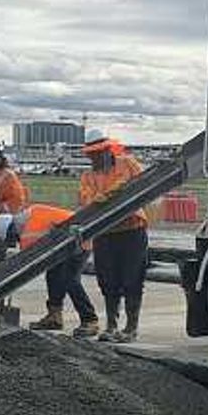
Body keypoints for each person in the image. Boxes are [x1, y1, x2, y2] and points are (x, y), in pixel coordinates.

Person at [78, 129, 148, 342]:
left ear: (108, 150)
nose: (94, 158)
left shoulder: (128, 164)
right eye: (91, 154)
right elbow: (88, 201)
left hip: (132, 230)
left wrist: (112, 193)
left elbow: (142, 186)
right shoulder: (88, 176)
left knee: (132, 279)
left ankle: (131, 328)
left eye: (97, 153)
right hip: (105, 233)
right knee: (108, 281)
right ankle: (111, 325)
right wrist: (108, 195)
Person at [0, 205, 100, 337]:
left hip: (78, 242)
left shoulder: (29, 232)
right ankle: (54, 316)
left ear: (11, 229)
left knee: (70, 279)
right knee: (53, 275)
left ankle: (90, 319)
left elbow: (28, 262)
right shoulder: (32, 213)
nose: (14, 240)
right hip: (68, 242)